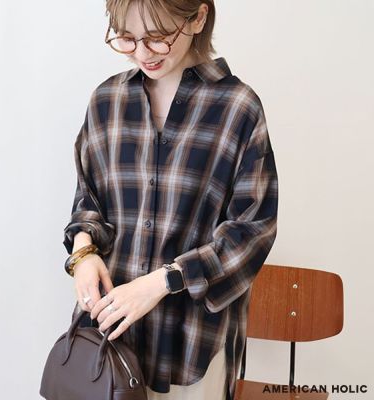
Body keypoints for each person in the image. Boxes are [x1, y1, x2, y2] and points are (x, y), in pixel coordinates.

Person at [62, 1, 279, 399]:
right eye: (127, 38)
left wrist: (163, 282)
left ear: (198, 18)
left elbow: (253, 231)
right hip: (108, 337)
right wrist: (84, 252)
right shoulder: (107, 101)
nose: (142, 53)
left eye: (157, 38)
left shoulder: (237, 108)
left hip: (194, 341)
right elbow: (87, 198)